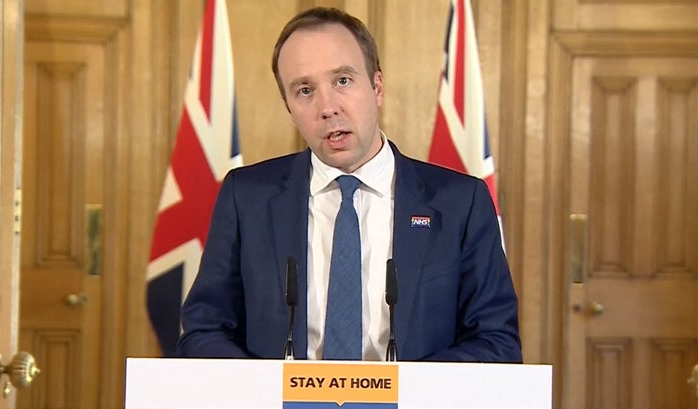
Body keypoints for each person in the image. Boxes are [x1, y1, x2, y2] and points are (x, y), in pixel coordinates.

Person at [177, 6, 521, 362]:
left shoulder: (459, 203)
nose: (328, 107)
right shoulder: (246, 198)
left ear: (377, 87)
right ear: (289, 108)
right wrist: (269, 391)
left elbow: (497, 341)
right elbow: (203, 330)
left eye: (343, 81)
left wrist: (400, 392)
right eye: (305, 90)